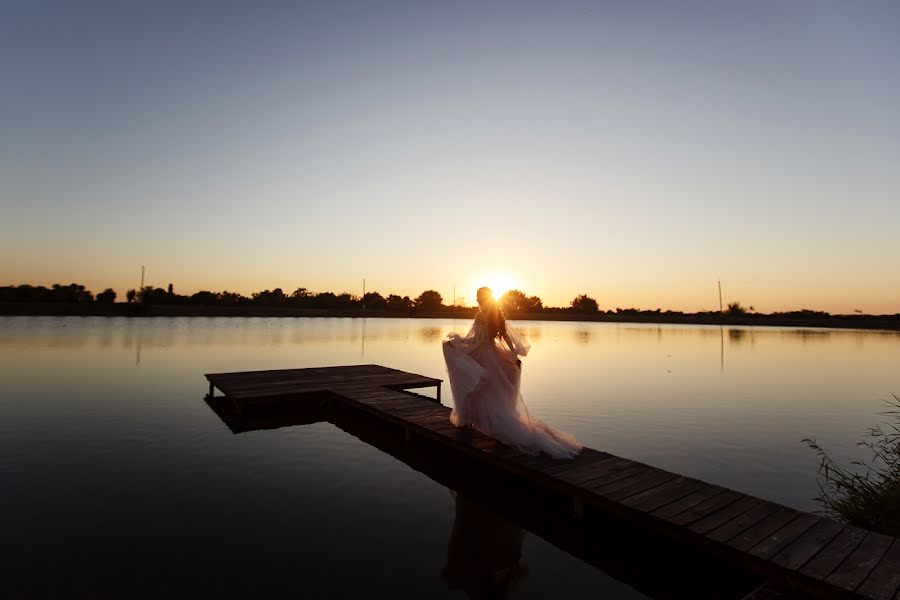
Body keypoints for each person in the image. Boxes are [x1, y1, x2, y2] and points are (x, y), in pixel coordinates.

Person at [442, 287, 582, 459]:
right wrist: (513, 357)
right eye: (476, 296)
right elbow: (506, 337)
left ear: (484, 298)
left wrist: (456, 343)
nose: (477, 299)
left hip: (484, 357)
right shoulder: (496, 315)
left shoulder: (481, 316)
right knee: (488, 391)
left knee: (478, 388)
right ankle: (487, 421)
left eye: (479, 296)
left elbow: (476, 340)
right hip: (494, 356)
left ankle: (482, 421)